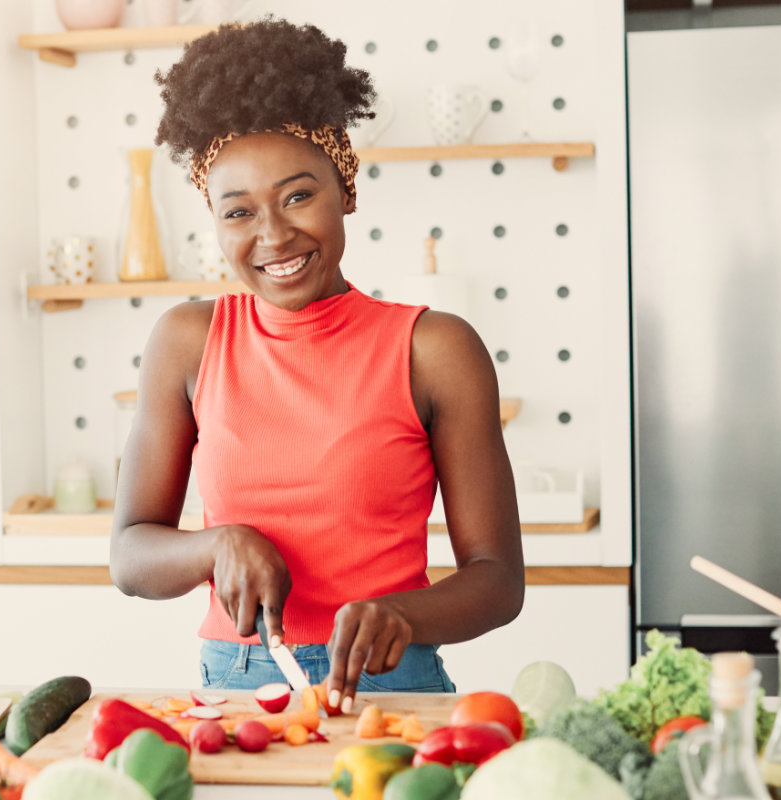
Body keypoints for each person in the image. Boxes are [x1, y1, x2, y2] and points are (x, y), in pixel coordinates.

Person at [109, 17, 524, 712]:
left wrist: (405, 614)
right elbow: (130, 557)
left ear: (347, 190)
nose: (273, 236)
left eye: (299, 196)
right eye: (239, 212)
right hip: (233, 694)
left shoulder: (435, 350)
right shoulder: (186, 340)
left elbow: (497, 579)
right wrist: (218, 546)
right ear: (214, 221)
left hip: (391, 690)